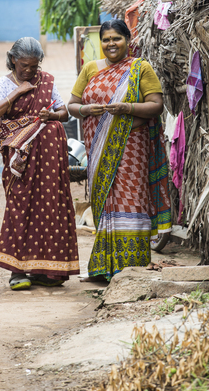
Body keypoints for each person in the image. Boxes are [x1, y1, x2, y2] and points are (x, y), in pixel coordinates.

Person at [68, 19, 172, 282]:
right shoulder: (90, 68)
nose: (111, 44)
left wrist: (126, 108)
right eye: (106, 39)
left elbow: (156, 105)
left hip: (132, 147)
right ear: (100, 42)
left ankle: (131, 269)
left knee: (131, 200)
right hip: (98, 149)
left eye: (117, 38)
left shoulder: (140, 68)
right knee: (103, 203)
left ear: (128, 40)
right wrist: (86, 110)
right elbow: (72, 105)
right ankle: (103, 267)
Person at [0, 37, 79, 290]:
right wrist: (18, 91)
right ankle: (17, 271)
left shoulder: (47, 81)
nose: (29, 71)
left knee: (50, 206)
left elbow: (64, 112)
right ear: (13, 59)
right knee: (20, 206)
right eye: (24, 65)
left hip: (48, 158)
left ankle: (47, 270)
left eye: (34, 67)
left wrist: (52, 116)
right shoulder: (4, 84)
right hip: (20, 160)